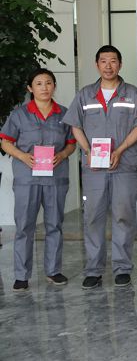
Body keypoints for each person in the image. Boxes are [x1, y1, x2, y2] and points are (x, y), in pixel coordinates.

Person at [63, 45, 137, 289]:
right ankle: (93, 270)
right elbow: (75, 125)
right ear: (97, 65)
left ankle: (122, 268)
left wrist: (120, 150)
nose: (108, 66)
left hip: (125, 165)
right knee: (93, 217)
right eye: (103, 61)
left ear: (120, 64)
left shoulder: (131, 94)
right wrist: (88, 151)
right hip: (94, 169)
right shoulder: (85, 95)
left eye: (113, 61)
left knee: (123, 216)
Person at [1, 68, 77, 291]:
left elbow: (71, 143)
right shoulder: (19, 114)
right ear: (30, 88)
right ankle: (21, 275)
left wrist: (62, 154)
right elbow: (5, 142)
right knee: (25, 226)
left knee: (55, 224)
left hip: (55, 177)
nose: (45, 87)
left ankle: (53, 271)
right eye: (39, 83)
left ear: (54, 86)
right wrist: (23, 156)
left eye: (49, 83)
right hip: (27, 178)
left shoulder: (64, 114)